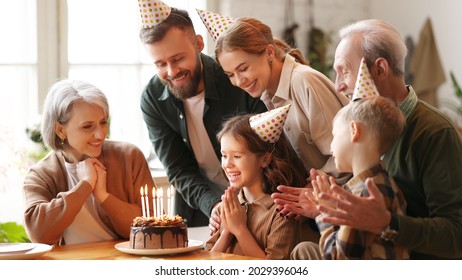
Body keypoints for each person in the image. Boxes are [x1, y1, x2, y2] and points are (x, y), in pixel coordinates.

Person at [273, 19, 462, 259]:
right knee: (303, 251)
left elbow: (456, 235)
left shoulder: (435, 133)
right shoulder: (360, 130)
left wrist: (387, 224)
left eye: (344, 71)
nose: (338, 86)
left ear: (380, 70)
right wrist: (329, 209)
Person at [202, 14, 350, 234]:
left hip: (346, 206)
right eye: (230, 74)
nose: (239, 82)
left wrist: (310, 190)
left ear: (269, 52)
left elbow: (347, 156)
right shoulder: (268, 93)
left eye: (243, 69)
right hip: (321, 206)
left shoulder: (304, 82)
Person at [138, 1, 266, 226]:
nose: (171, 71)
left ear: (198, 43)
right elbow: (179, 169)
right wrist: (214, 205)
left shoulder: (235, 79)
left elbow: (270, 151)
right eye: (160, 64)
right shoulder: (152, 98)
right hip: (201, 212)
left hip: (261, 204)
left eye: (178, 59)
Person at [23, 79, 154, 245]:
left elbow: (153, 227)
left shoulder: (129, 157)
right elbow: (39, 234)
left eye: (103, 122)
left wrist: (103, 196)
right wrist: (85, 186)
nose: (100, 134)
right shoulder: (40, 175)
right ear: (60, 130)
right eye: (87, 126)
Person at [205, 105, 313, 259]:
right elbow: (204, 263)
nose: (227, 164)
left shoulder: (281, 212)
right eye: (224, 155)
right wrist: (227, 232)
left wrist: (240, 230)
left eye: (236, 156)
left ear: (264, 158)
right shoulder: (227, 206)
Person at [307, 95, 408, 259]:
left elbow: (337, 258)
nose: (331, 145)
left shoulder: (365, 194)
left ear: (354, 130)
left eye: (334, 136)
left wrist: (325, 215)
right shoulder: (382, 181)